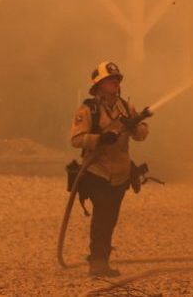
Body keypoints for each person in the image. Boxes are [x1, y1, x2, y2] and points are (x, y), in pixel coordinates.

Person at [69, 61, 149, 277]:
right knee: (103, 216)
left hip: (121, 174)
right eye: (111, 79)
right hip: (98, 171)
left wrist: (136, 126)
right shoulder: (88, 110)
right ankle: (97, 262)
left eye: (117, 79)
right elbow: (76, 140)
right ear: (99, 84)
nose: (116, 82)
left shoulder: (125, 107)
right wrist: (99, 139)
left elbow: (142, 135)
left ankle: (101, 259)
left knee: (111, 217)